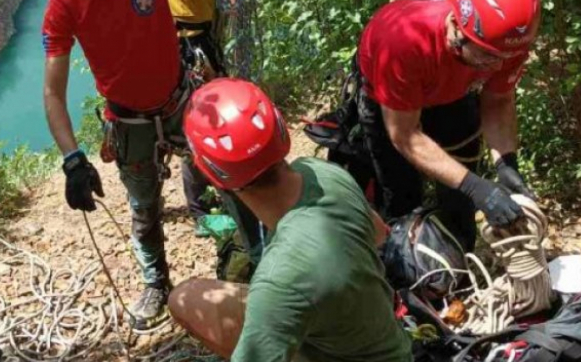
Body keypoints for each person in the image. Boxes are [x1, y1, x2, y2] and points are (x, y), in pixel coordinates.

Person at [41, 0, 217, 329]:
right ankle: (156, 282)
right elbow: (53, 93)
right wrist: (72, 159)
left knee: (225, 174)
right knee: (143, 206)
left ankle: (252, 253)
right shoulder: (64, 3)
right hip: (129, 121)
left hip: (179, 98)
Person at [169, 78, 413, 361]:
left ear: (212, 174)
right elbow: (380, 235)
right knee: (188, 297)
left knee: (187, 300)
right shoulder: (322, 173)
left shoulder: (279, 280)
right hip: (387, 339)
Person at [120, 0, 261, 253]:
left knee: (142, 127)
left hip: (143, 46)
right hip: (195, 45)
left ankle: (145, 213)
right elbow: (233, 3)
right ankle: (202, 210)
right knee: (201, 126)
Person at [356, 0, 541, 251]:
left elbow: (498, 100)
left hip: (452, 93)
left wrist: (507, 165)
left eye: (503, 57)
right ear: (456, 26)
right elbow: (405, 135)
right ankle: (406, 266)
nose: (496, 65)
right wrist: (476, 186)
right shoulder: (403, 43)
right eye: (487, 56)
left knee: (461, 200)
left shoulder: (505, 42)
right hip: (392, 104)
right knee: (403, 197)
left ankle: (460, 259)